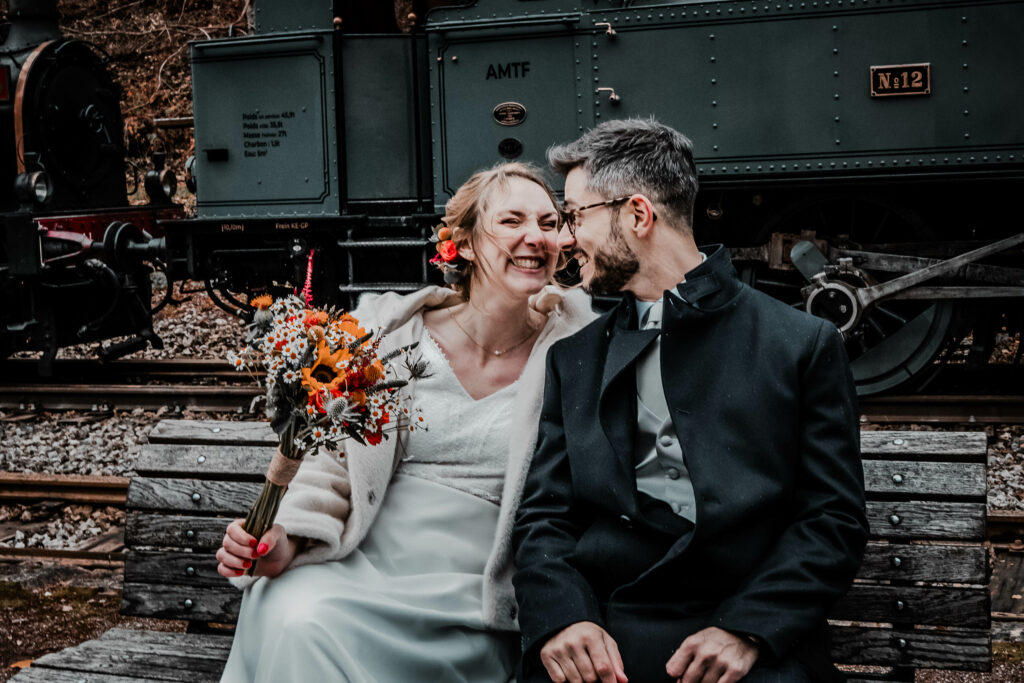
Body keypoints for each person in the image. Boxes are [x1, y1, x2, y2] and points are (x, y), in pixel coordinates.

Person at [511, 119, 868, 683]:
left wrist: (749, 629)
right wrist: (564, 618)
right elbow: (544, 517)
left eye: (576, 215)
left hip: (747, 632)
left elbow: (832, 518)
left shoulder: (798, 345)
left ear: (637, 214)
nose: (565, 238)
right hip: (609, 631)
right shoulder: (573, 358)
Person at [217, 162, 596, 683]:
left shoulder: (580, 346)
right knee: (294, 612)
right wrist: (288, 539)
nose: (536, 237)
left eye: (550, 223)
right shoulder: (391, 333)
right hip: (363, 560)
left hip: (475, 590)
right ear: (462, 244)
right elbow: (333, 461)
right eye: (512, 221)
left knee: (313, 623)